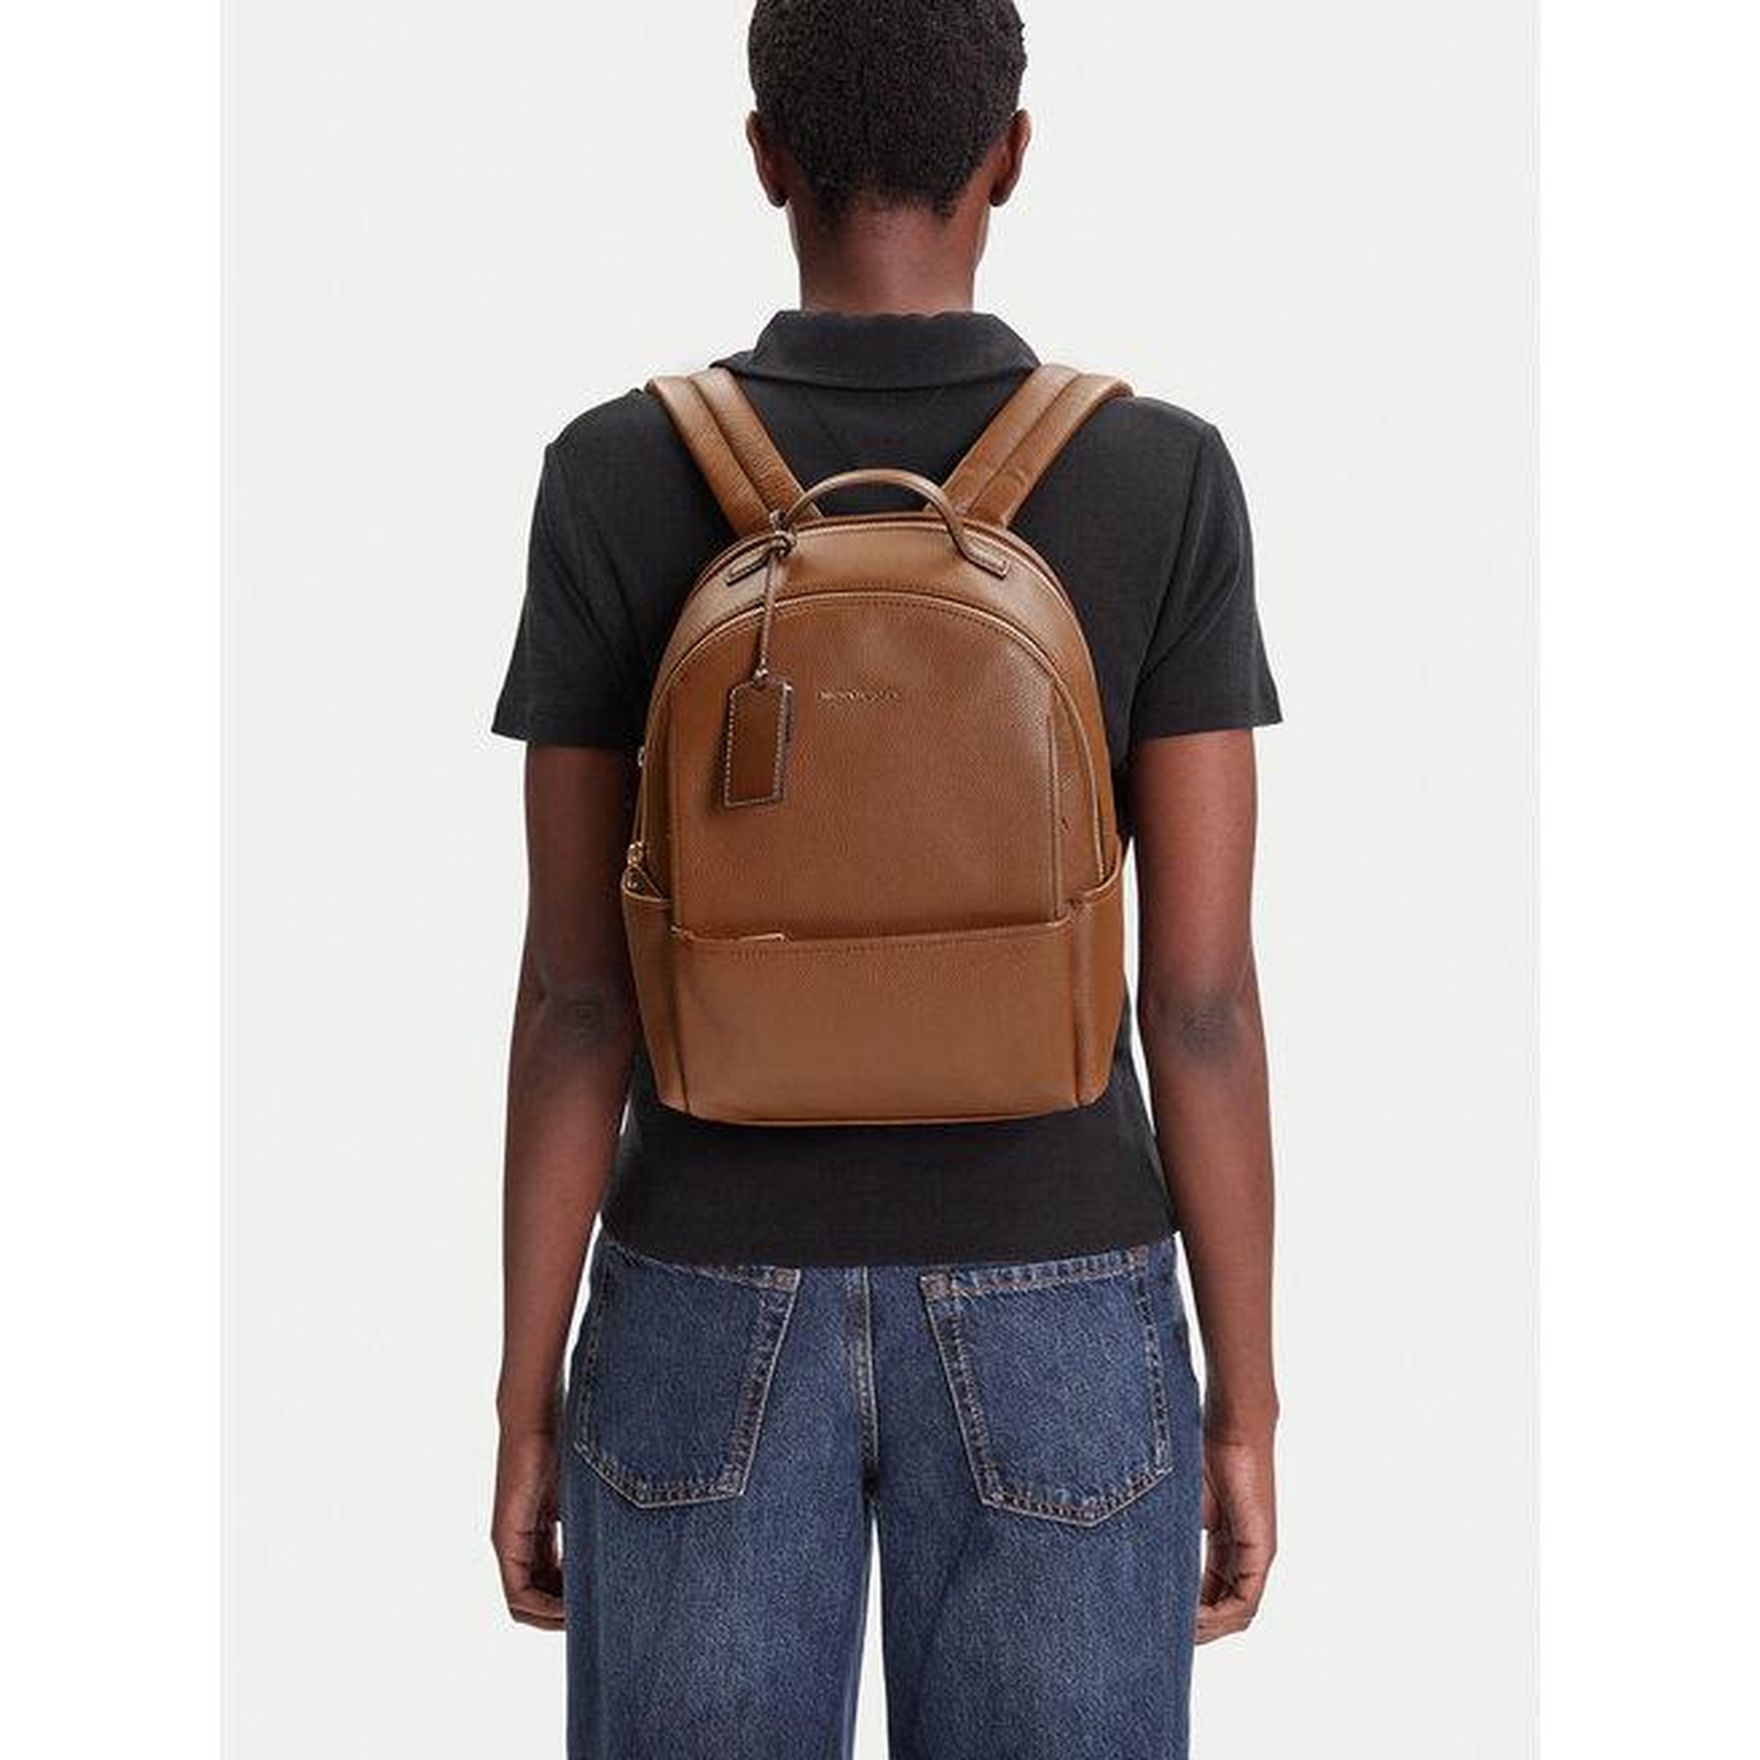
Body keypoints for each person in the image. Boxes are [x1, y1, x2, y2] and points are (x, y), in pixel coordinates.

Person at [489, 3, 1282, 1754]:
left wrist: (525, 1397)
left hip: (700, 1291)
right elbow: (1203, 1001)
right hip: (1063, 1299)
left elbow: (574, 998)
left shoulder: (613, 473)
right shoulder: (1160, 475)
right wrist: (1245, 1404)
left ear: (764, 155)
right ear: (1013, 153)